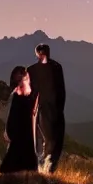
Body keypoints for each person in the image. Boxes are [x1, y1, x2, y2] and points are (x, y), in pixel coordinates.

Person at [27, 43, 66, 174]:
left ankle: (44, 168)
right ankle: (48, 168)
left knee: (45, 139)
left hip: (41, 109)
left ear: (37, 54)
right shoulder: (57, 67)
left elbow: (31, 93)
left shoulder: (32, 70)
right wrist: (60, 108)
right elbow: (62, 91)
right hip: (53, 109)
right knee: (54, 140)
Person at [0, 66, 38, 174]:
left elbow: (11, 117)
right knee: (25, 167)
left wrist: (8, 132)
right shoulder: (27, 95)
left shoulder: (17, 96)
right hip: (24, 136)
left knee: (14, 167)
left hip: (21, 136)